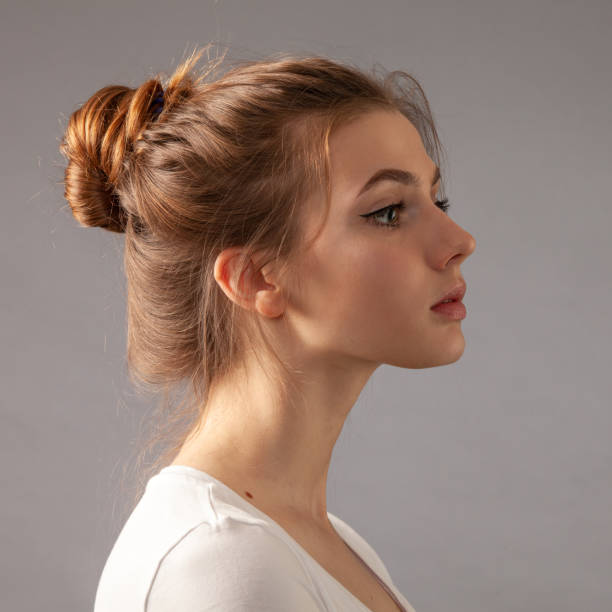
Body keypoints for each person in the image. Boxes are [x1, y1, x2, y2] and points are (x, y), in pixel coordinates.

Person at [60, 43, 476, 612]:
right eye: (387, 212)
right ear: (256, 277)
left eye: (437, 198)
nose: (459, 242)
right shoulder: (221, 566)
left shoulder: (316, 544)